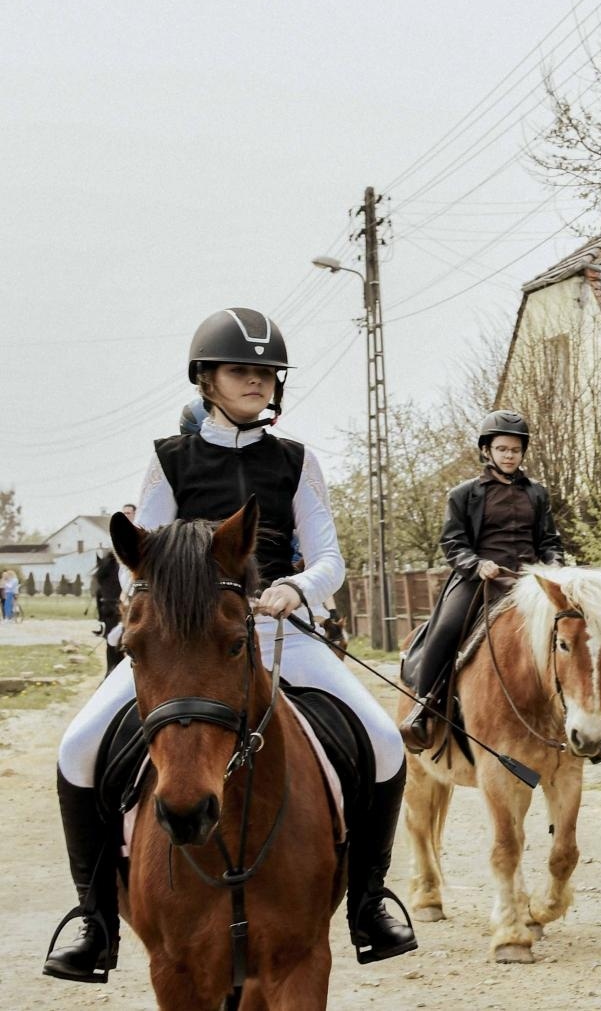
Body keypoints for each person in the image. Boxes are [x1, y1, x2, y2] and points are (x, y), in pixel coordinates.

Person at [43, 307, 416, 984]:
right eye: (241, 370)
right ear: (206, 380)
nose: (258, 380)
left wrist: (295, 588)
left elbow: (329, 557)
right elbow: (143, 553)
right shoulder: (168, 459)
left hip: (277, 628)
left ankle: (369, 902)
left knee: (385, 743)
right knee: (77, 747)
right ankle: (93, 919)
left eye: (267, 371)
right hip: (189, 637)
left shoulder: (297, 461)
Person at [398, 409, 565, 752]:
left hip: (528, 582)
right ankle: (423, 707)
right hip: (479, 579)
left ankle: (582, 712)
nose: (509, 456)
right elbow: (452, 542)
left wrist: (555, 568)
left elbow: (549, 542)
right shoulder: (463, 494)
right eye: (502, 449)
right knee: (447, 628)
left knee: (575, 629)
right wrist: (476, 564)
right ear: (487, 451)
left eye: (515, 450)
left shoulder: (537, 494)